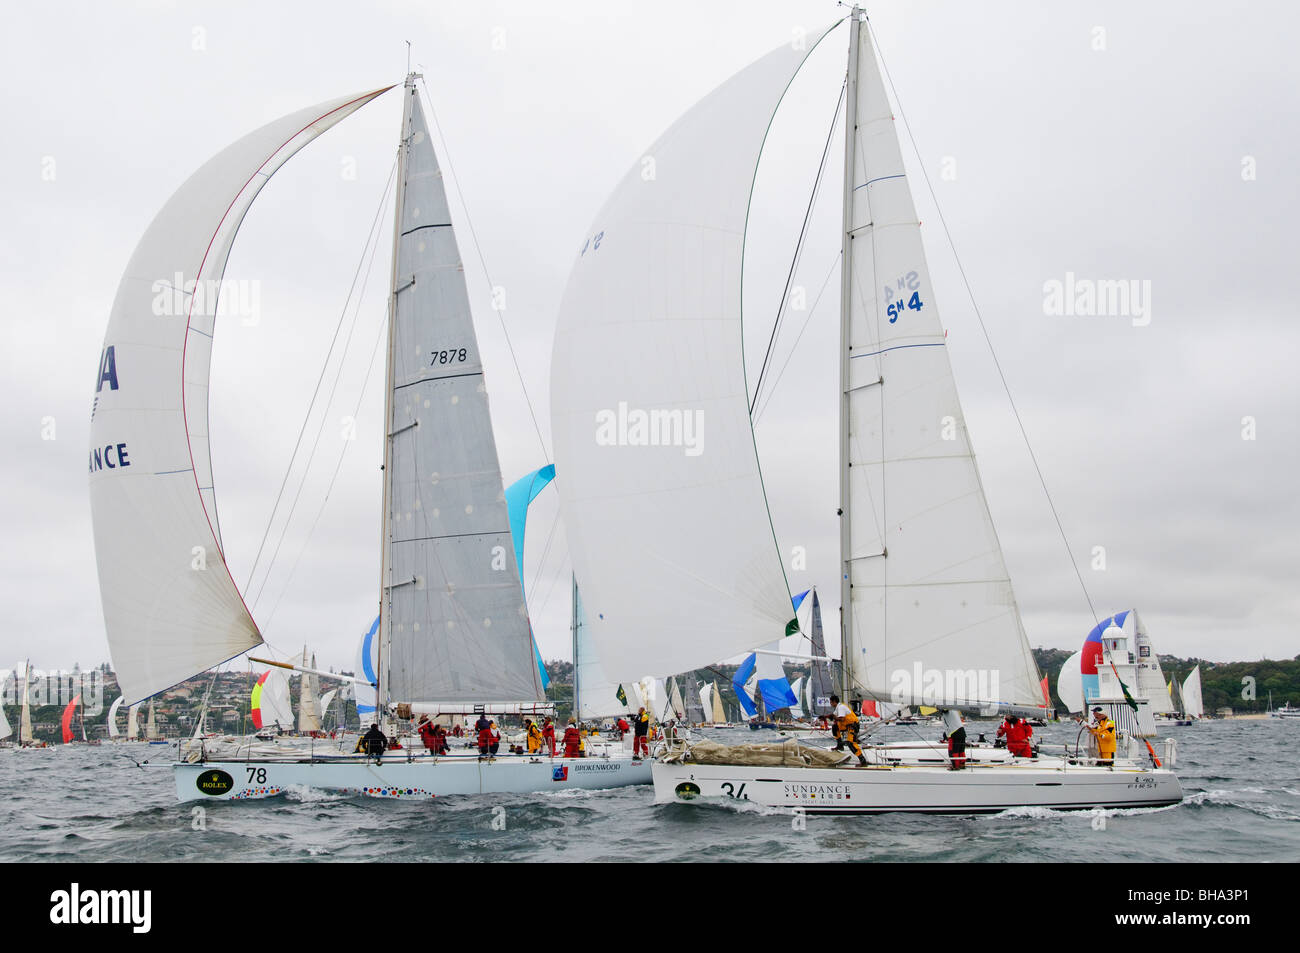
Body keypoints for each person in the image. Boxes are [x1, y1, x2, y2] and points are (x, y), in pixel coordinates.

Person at [831, 694, 868, 767]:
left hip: (853, 726)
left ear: (834, 702)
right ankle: (840, 745)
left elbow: (841, 719)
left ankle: (863, 761)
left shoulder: (841, 707)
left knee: (850, 743)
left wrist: (834, 717)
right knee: (835, 727)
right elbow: (834, 716)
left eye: (831, 702)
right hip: (847, 726)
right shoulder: (838, 708)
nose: (830, 704)